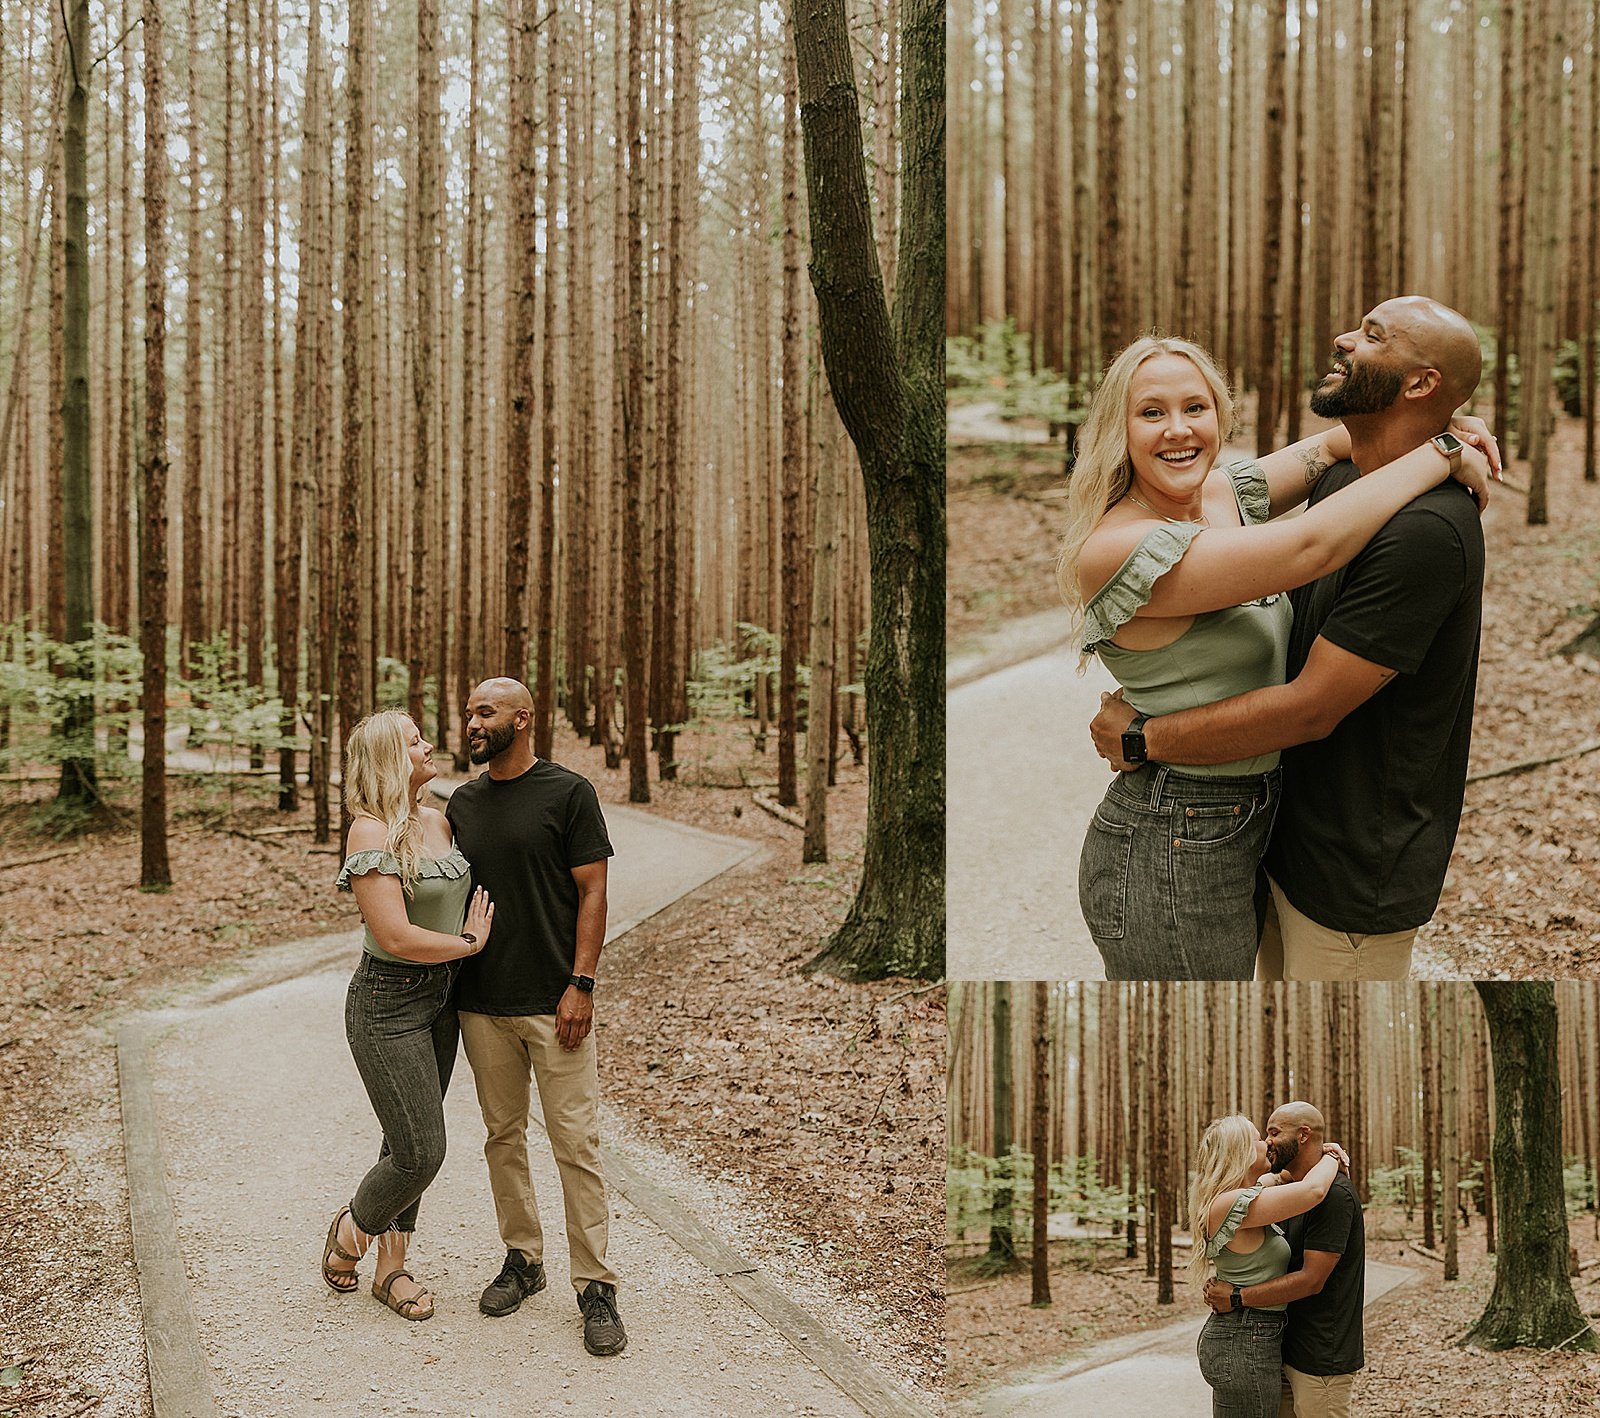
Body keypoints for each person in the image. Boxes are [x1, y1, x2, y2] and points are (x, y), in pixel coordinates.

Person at [1060, 327, 1493, 979]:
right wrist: (1446, 449)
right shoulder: (1122, 548)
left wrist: (1437, 418)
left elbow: (1332, 442)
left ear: (1219, 414)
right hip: (1175, 832)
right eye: (1151, 413)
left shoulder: (1219, 495)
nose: (1178, 430)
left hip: (1240, 827)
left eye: (1195, 408)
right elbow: (1311, 548)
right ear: (1115, 428)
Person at [447, 677, 626, 1357]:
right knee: (502, 1137)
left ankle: (596, 1286)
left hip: (556, 1004)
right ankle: (523, 1259)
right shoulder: (462, 803)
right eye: (469, 713)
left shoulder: (569, 793)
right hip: (481, 1004)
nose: (471, 722)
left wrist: (582, 983)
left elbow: (594, 890)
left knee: (576, 1145)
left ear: (523, 719)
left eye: (484, 712)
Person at [322, 710, 495, 1321]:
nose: (429, 745)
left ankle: (390, 1270)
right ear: (390, 760)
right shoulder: (370, 832)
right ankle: (350, 1230)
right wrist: (469, 946)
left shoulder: (439, 820)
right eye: (414, 740)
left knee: (403, 1137)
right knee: (422, 1151)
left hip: (442, 1001)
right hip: (388, 1001)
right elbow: (393, 935)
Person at [1203, 1103, 1367, 1418]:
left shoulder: (1325, 1194)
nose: (1268, 1142)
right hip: (1254, 1343)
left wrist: (1323, 1154)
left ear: (1303, 1134)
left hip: (1311, 1351)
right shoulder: (1240, 1201)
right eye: (1261, 1137)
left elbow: (1311, 1278)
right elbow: (1311, 1189)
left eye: (1273, 1132)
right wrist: (1330, 1156)